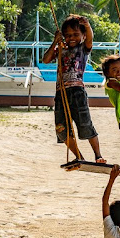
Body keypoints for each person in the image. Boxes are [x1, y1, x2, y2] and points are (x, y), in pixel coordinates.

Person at [43, 14, 105, 163]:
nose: (71, 38)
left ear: (82, 36)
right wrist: (55, 42)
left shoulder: (83, 49)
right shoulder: (60, 49)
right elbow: (45, 60)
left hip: (77, 92)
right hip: (61, 93)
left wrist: (88, 26)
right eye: (68, 35)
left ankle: (98, 155)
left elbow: (90, 39)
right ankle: (78, 156)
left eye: (76, 34)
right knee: (62, 129)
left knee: (85, 124)